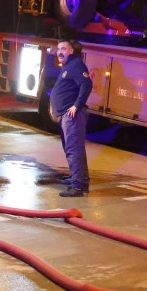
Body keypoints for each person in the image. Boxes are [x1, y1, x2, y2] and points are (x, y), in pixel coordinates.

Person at [48, 39, 92, 197]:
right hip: (65, 115)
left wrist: (76, 105)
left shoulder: (76, 65)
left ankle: (78, 187)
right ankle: (80, 179)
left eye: (64, 49)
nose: (60, 51)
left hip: (72, 116)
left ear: (72, 51)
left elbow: (86, 84)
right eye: (59, 48)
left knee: (74, 150)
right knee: (73, 149)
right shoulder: (68, 65)